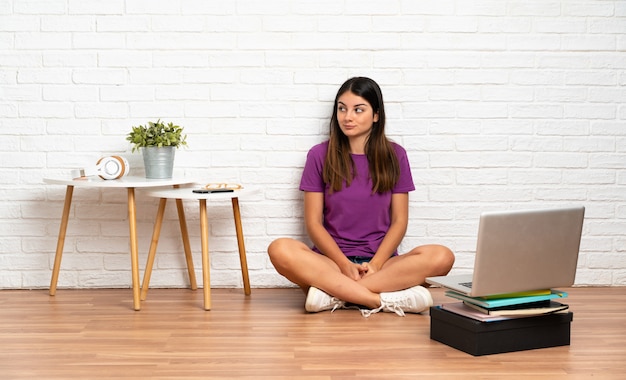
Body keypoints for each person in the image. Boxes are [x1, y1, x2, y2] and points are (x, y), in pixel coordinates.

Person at [267, 77, 455, 317]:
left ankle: (334, 296)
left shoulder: (396, 155)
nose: (348, 117)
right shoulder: (318, 155)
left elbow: (399, 221)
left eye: (358, 110)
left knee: (442, 256)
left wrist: (376, 265)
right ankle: (380, 300)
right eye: (342, 108)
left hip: (382, 264)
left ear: (376, 115)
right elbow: (313, 223)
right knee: (280, 249)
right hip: (330, 263)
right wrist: (344, 265)